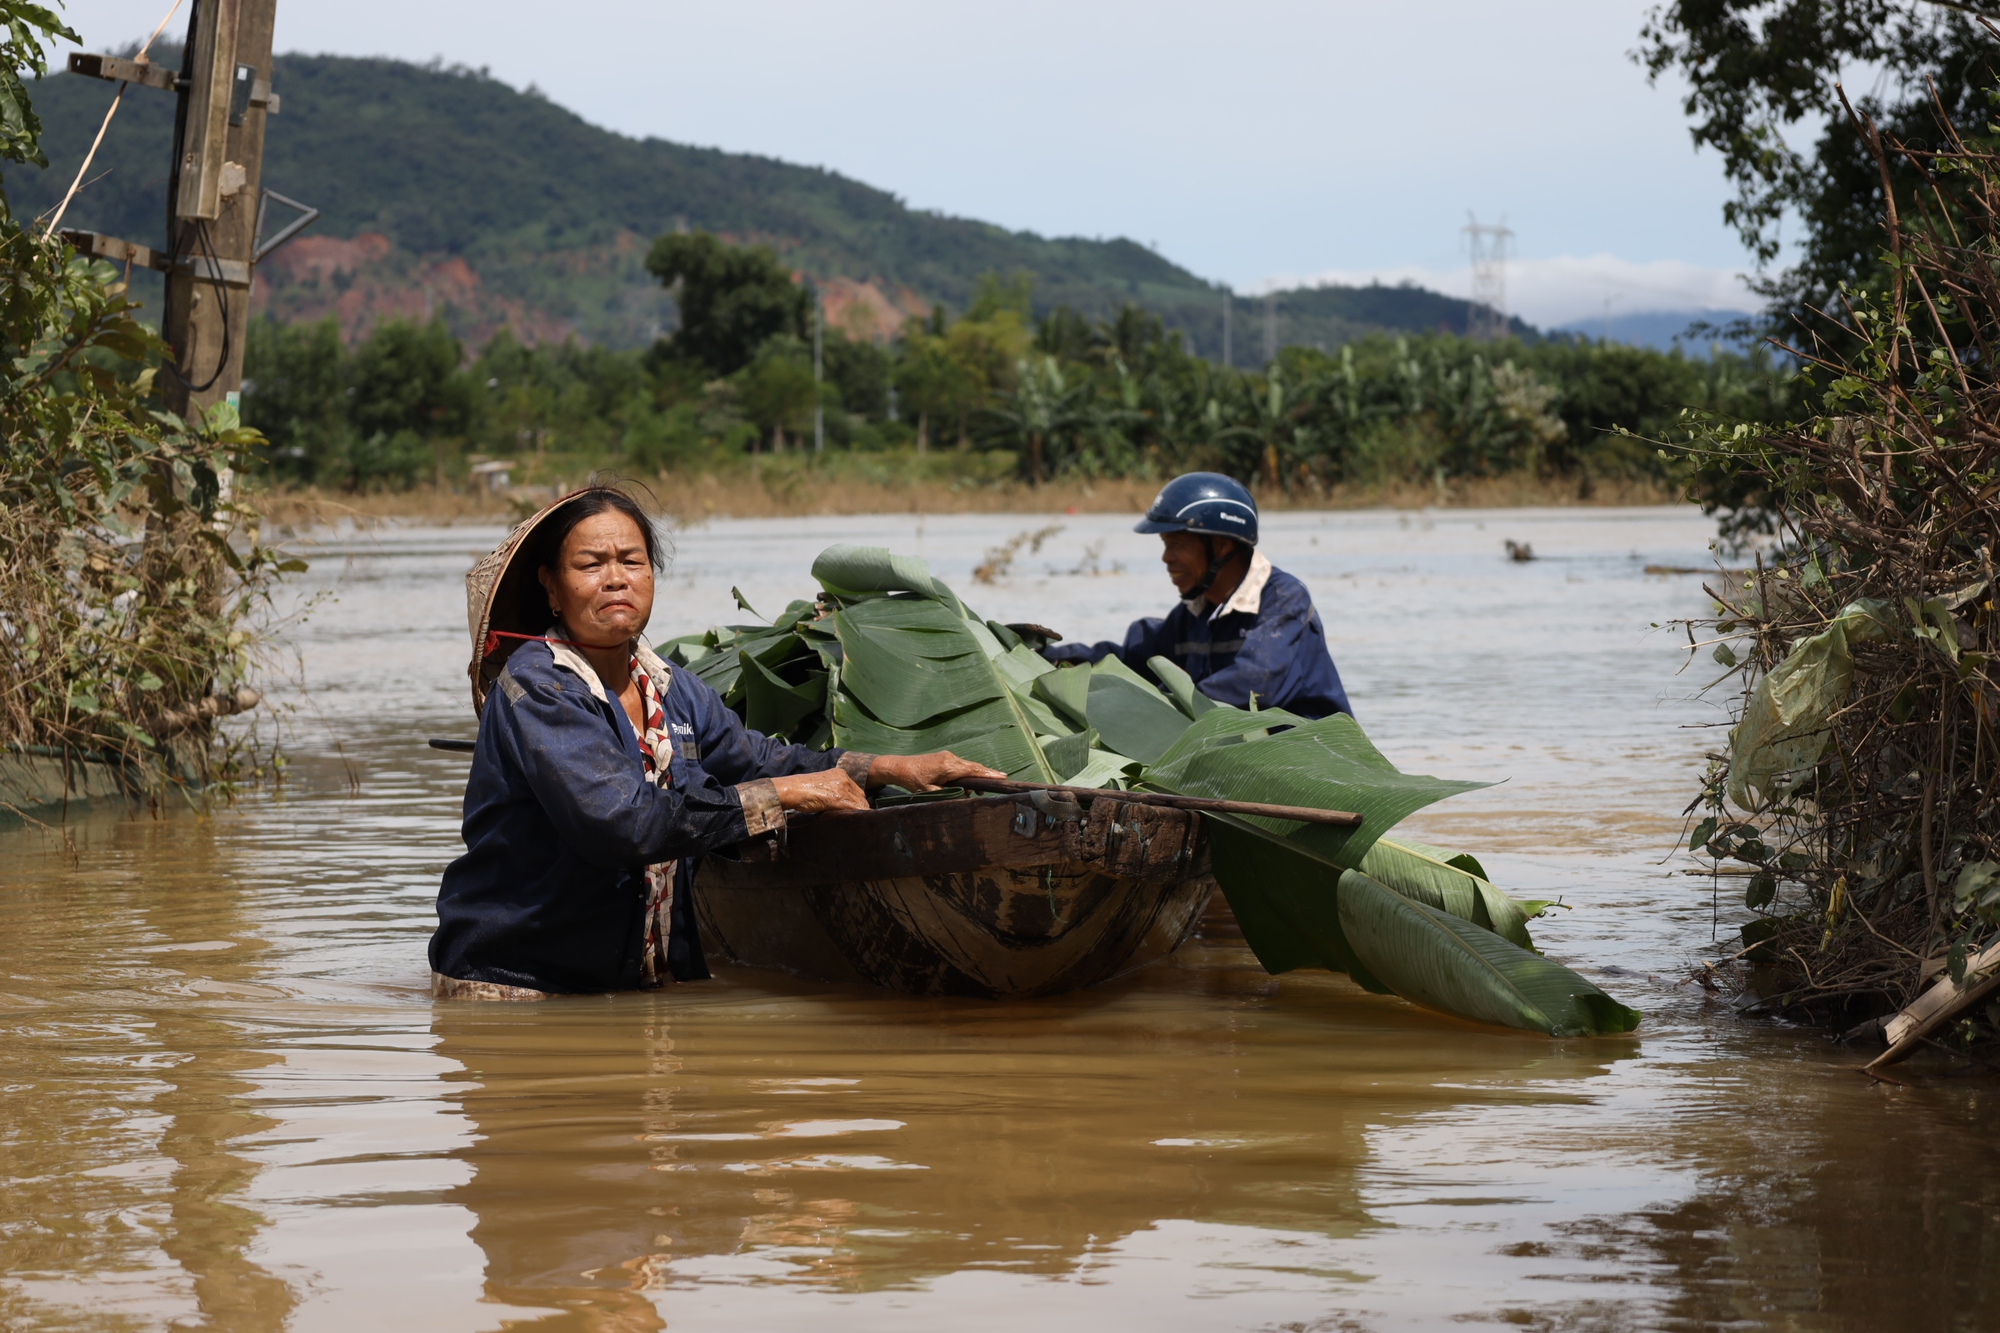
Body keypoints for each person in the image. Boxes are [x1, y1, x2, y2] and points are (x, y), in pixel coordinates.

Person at [430, 486, 1001, 999]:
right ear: (552, 587)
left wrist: (886, 766)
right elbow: (623, 824)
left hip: (622, 985)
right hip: (517, 988)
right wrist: (790, 795)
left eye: (632, 561)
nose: (615, 578)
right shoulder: (540, 686)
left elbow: (757, 759)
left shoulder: (673, 690)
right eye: (590, 564)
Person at [1041, 472, 1351, 719]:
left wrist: (1157, 709)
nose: (1166, 558)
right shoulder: (1194, 615)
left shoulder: (1283, 601)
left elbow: (1253, 684)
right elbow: (1127, 660)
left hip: (1310, 765)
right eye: (1164, 545)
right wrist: (1046, 657)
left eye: (1176, 544)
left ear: (1221, 546)